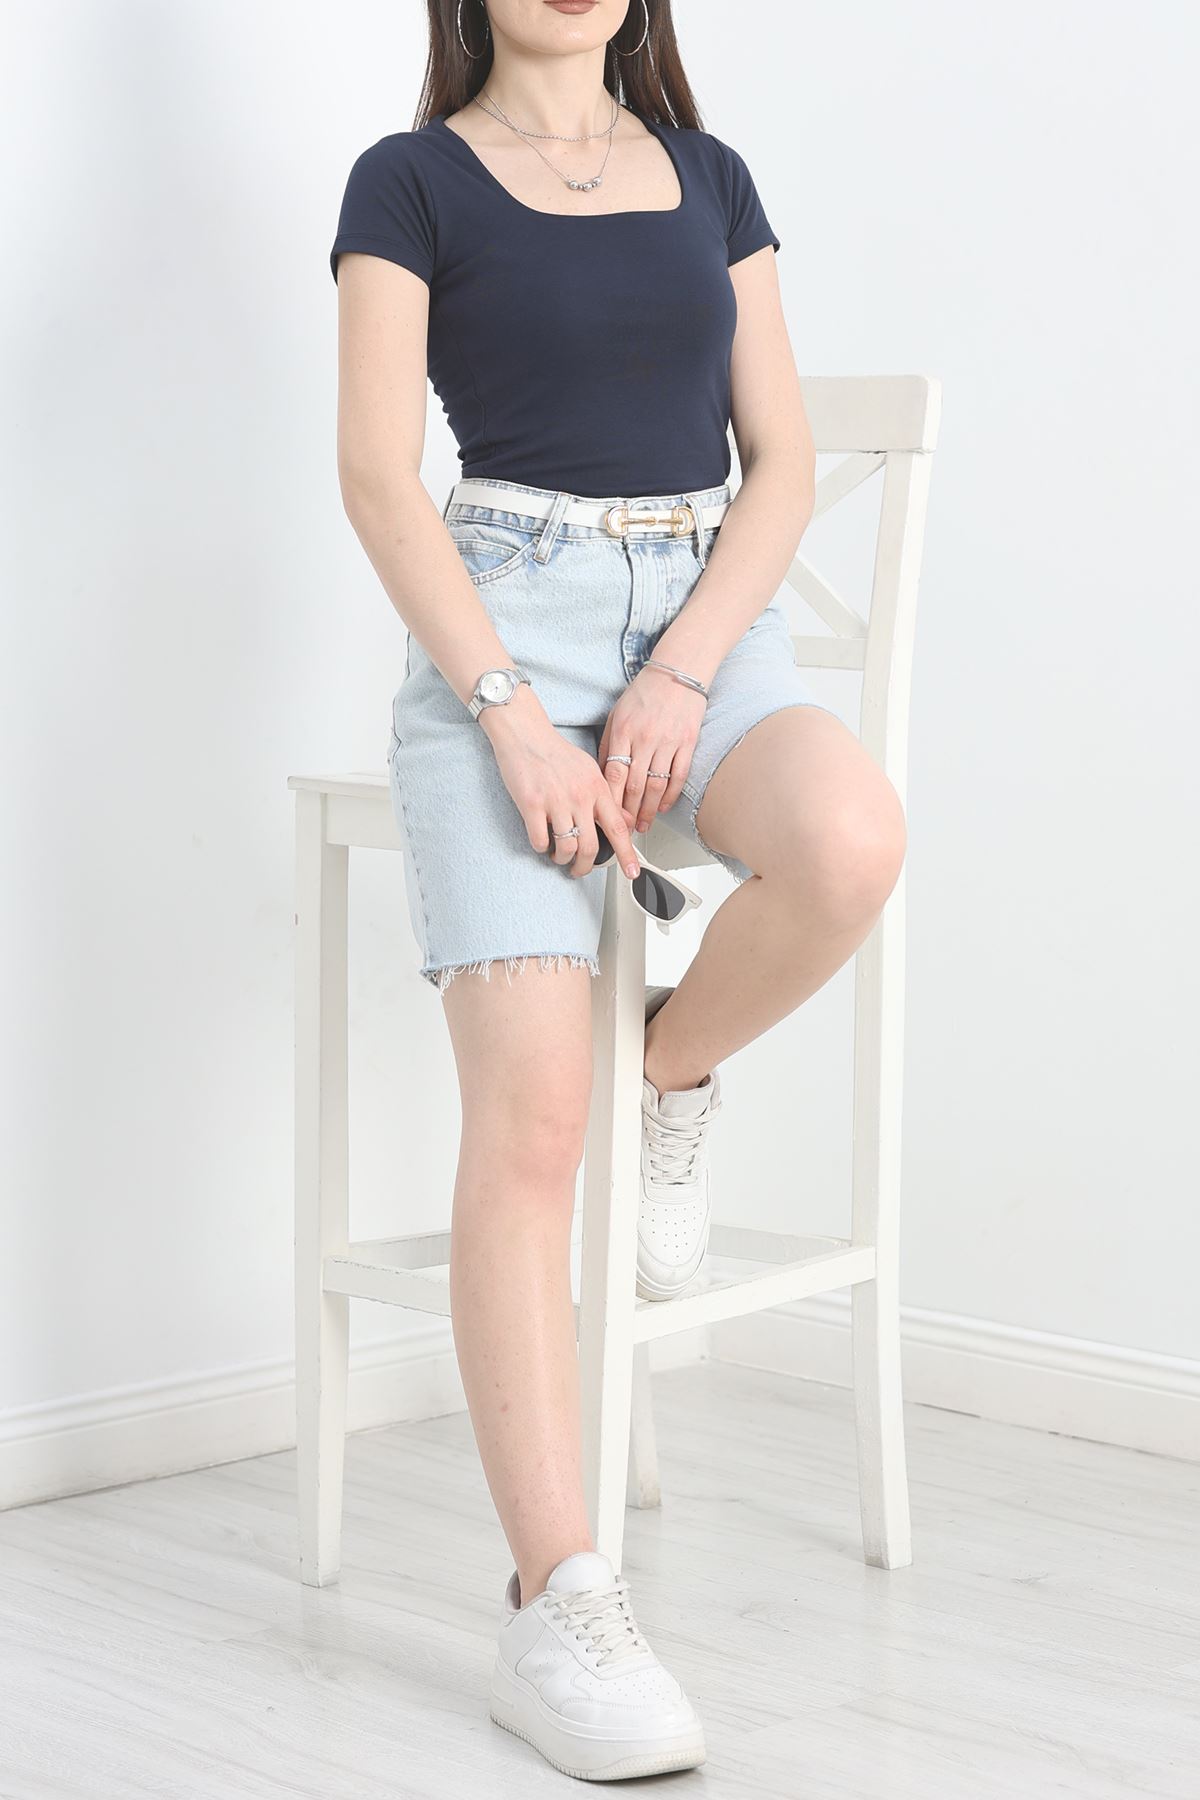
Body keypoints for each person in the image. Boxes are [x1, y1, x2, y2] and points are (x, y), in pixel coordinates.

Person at [329, 0, 906, 1780]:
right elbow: (376, 473)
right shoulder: (408, 179)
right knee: (528, 1122)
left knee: (848, 838)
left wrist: (680, 673)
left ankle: (674, 1064)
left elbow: (779, 460)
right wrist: (512, 711)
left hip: (700, 626)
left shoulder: (710, 176)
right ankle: (559, 1597)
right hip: (502, 629)